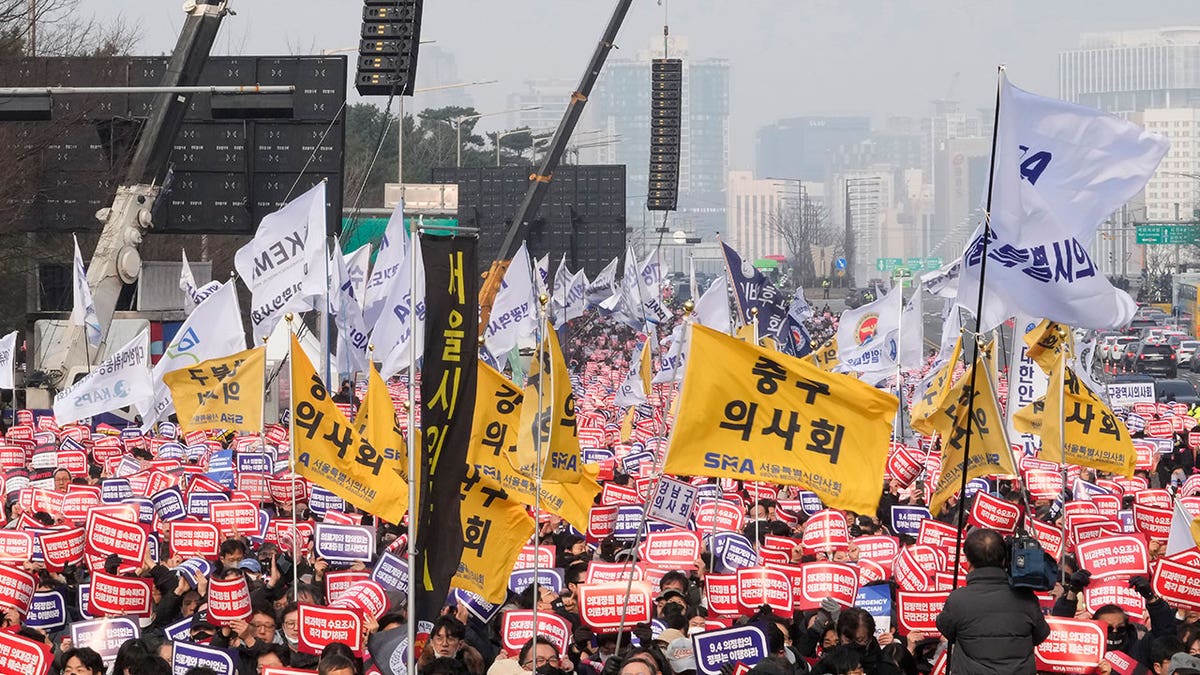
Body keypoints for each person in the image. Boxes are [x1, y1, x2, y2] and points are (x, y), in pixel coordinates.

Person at [935, 528, 1050, 675]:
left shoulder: (958, 599)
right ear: (1004, 559)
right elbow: (1041, 634)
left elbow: (946, 630)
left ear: (968, 562)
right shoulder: (1026, 597)